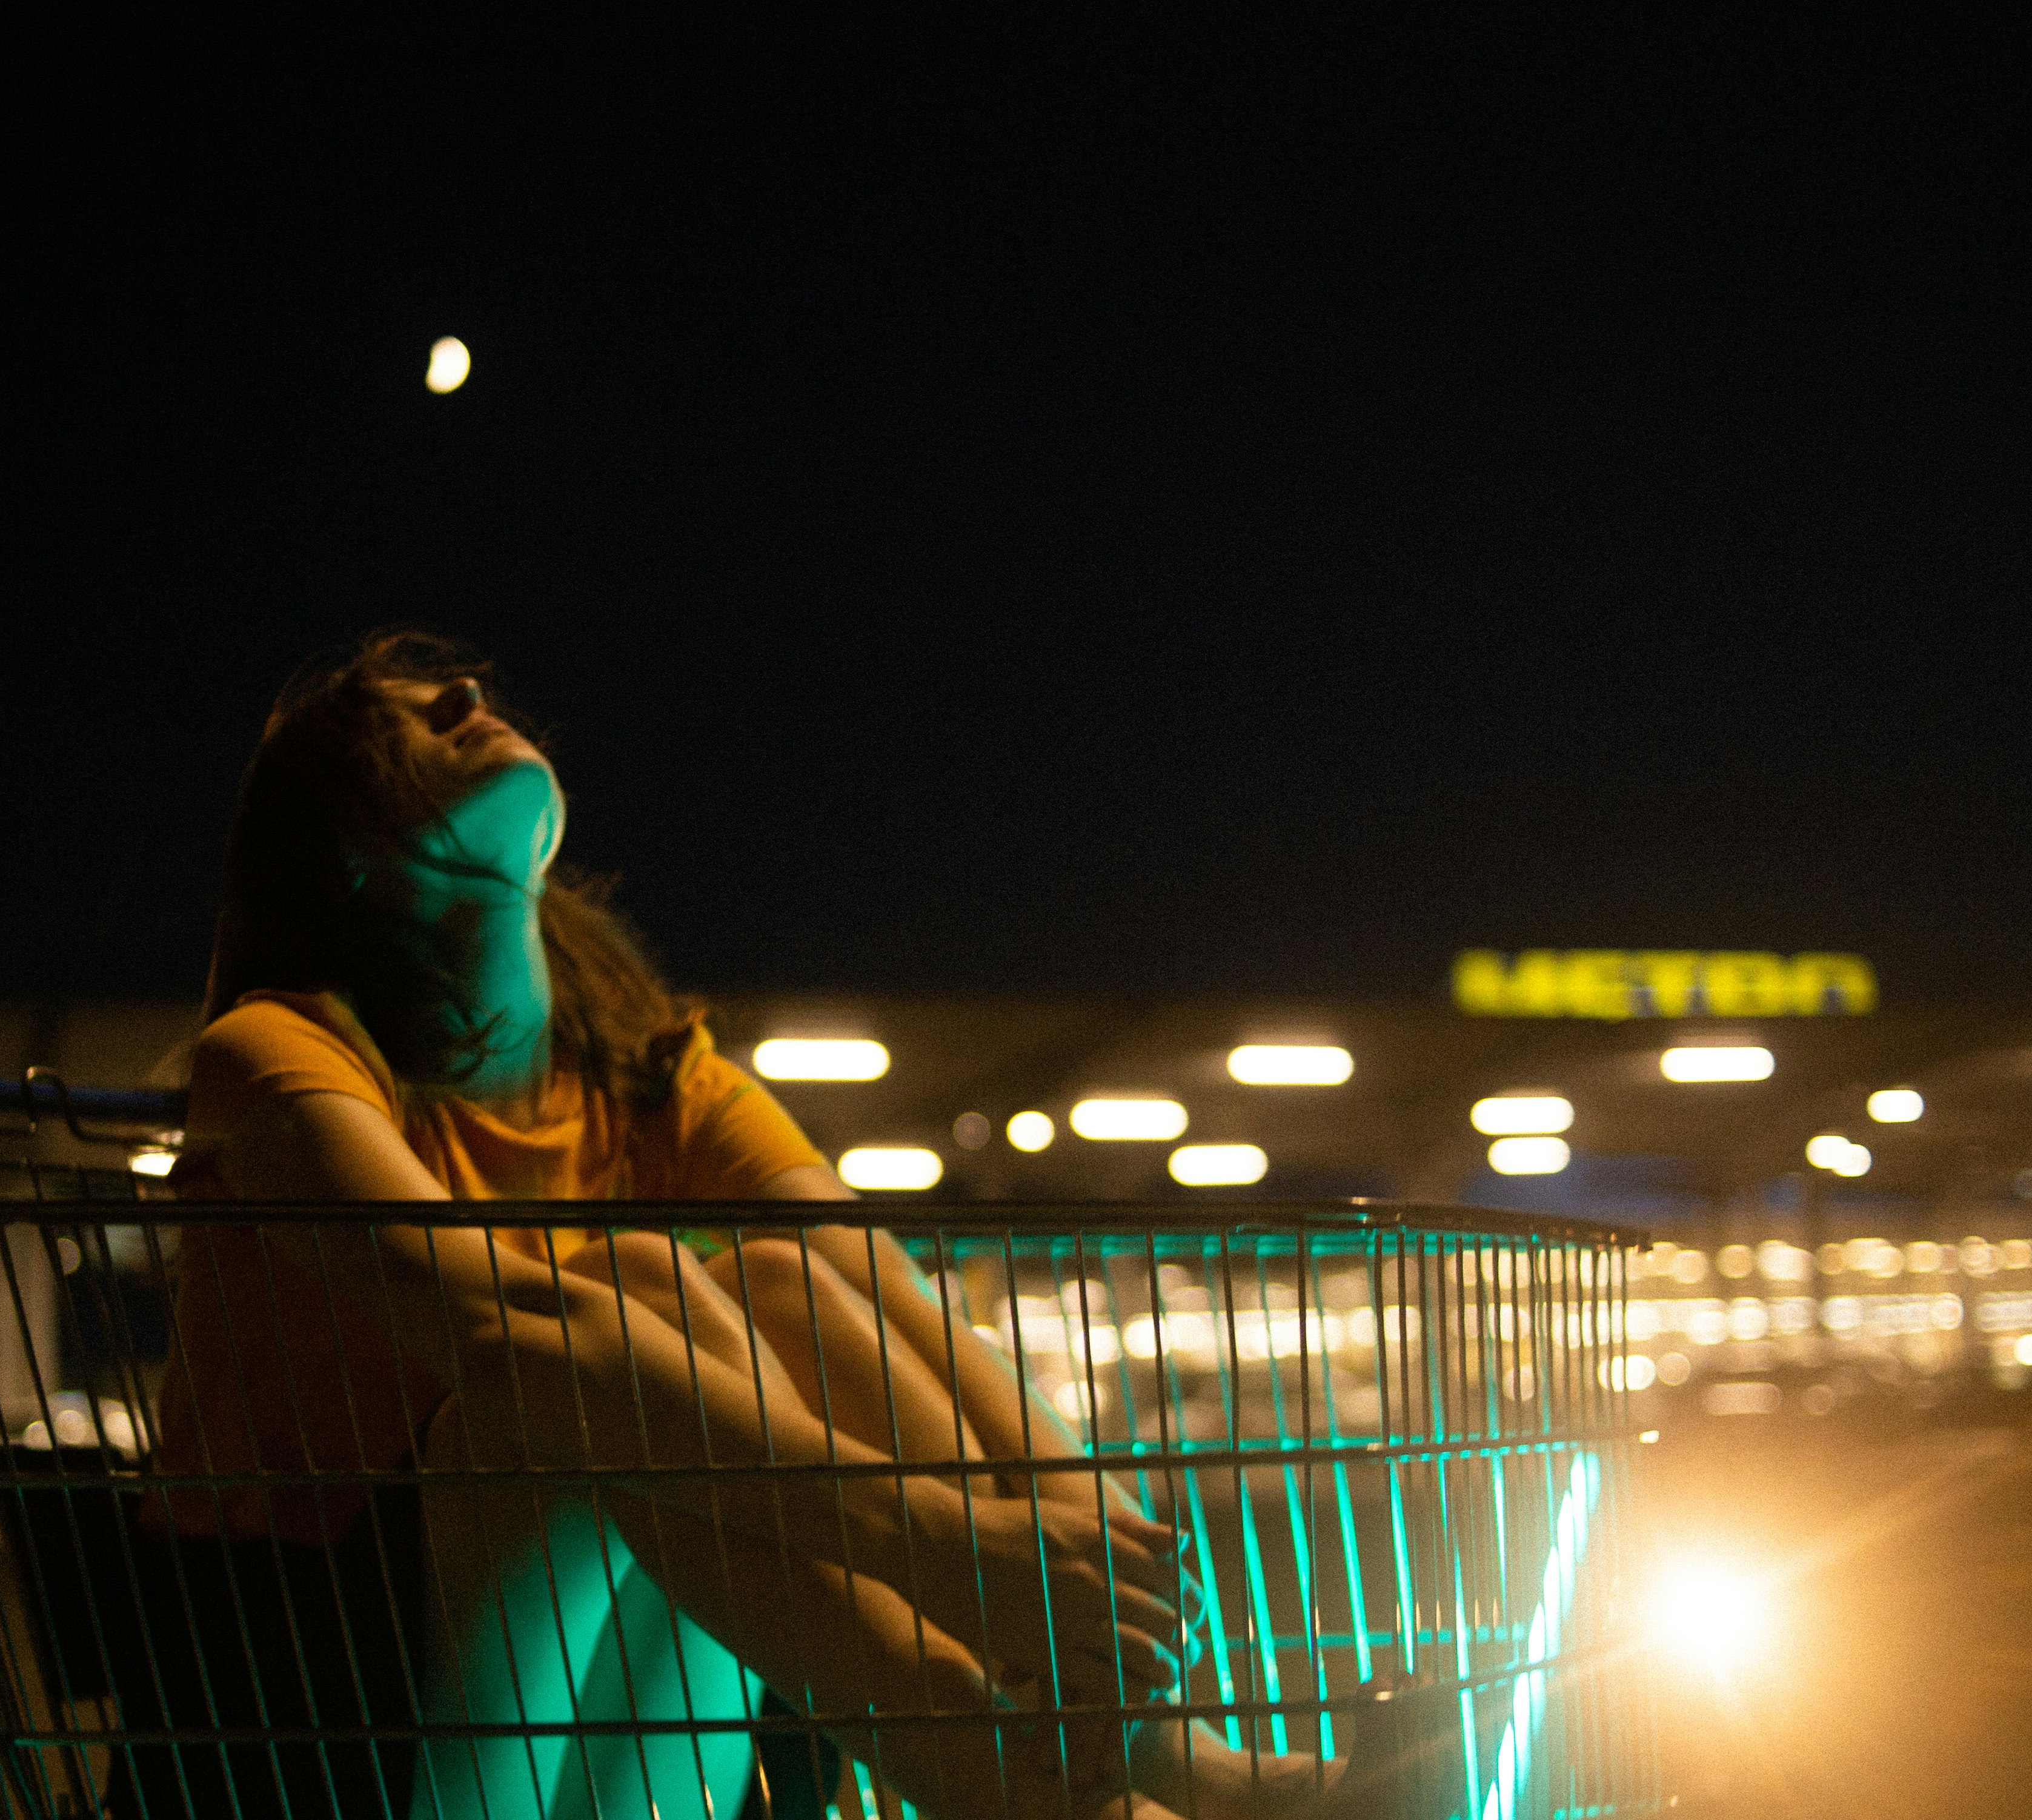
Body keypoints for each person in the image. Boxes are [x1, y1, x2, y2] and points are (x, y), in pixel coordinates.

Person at [146, 632, 1336, 1819]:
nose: (464, 695)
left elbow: (878, 1294)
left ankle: (1152, 1769)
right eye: (397, 728)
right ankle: (1040, 1803)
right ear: (345, 866)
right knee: (621, 1313)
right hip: (303, 1712)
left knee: (789, 1288)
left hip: (594, 1702)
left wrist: (1094, 1565)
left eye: (461, 691)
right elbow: (500, 1327)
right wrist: (967, 1550)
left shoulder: (648, 1079)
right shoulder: (273, 1055)